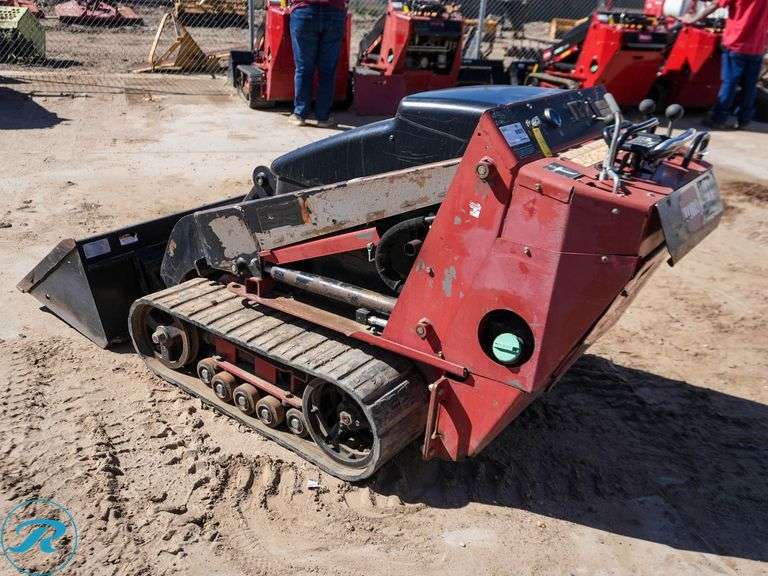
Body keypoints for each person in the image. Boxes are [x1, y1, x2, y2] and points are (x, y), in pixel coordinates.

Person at [683, 0, 768, 129]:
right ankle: (744, 120)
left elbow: (715, 4)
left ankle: (718, 119)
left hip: (736, 42)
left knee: (729, 83)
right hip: (757, 46)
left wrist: (693, 19)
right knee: (749, 86)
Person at [287, 0, 347, 128]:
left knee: (303, 68)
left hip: (304, 11)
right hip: (334, 12)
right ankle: (323, 117)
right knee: (327, 70)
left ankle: (300, 115)